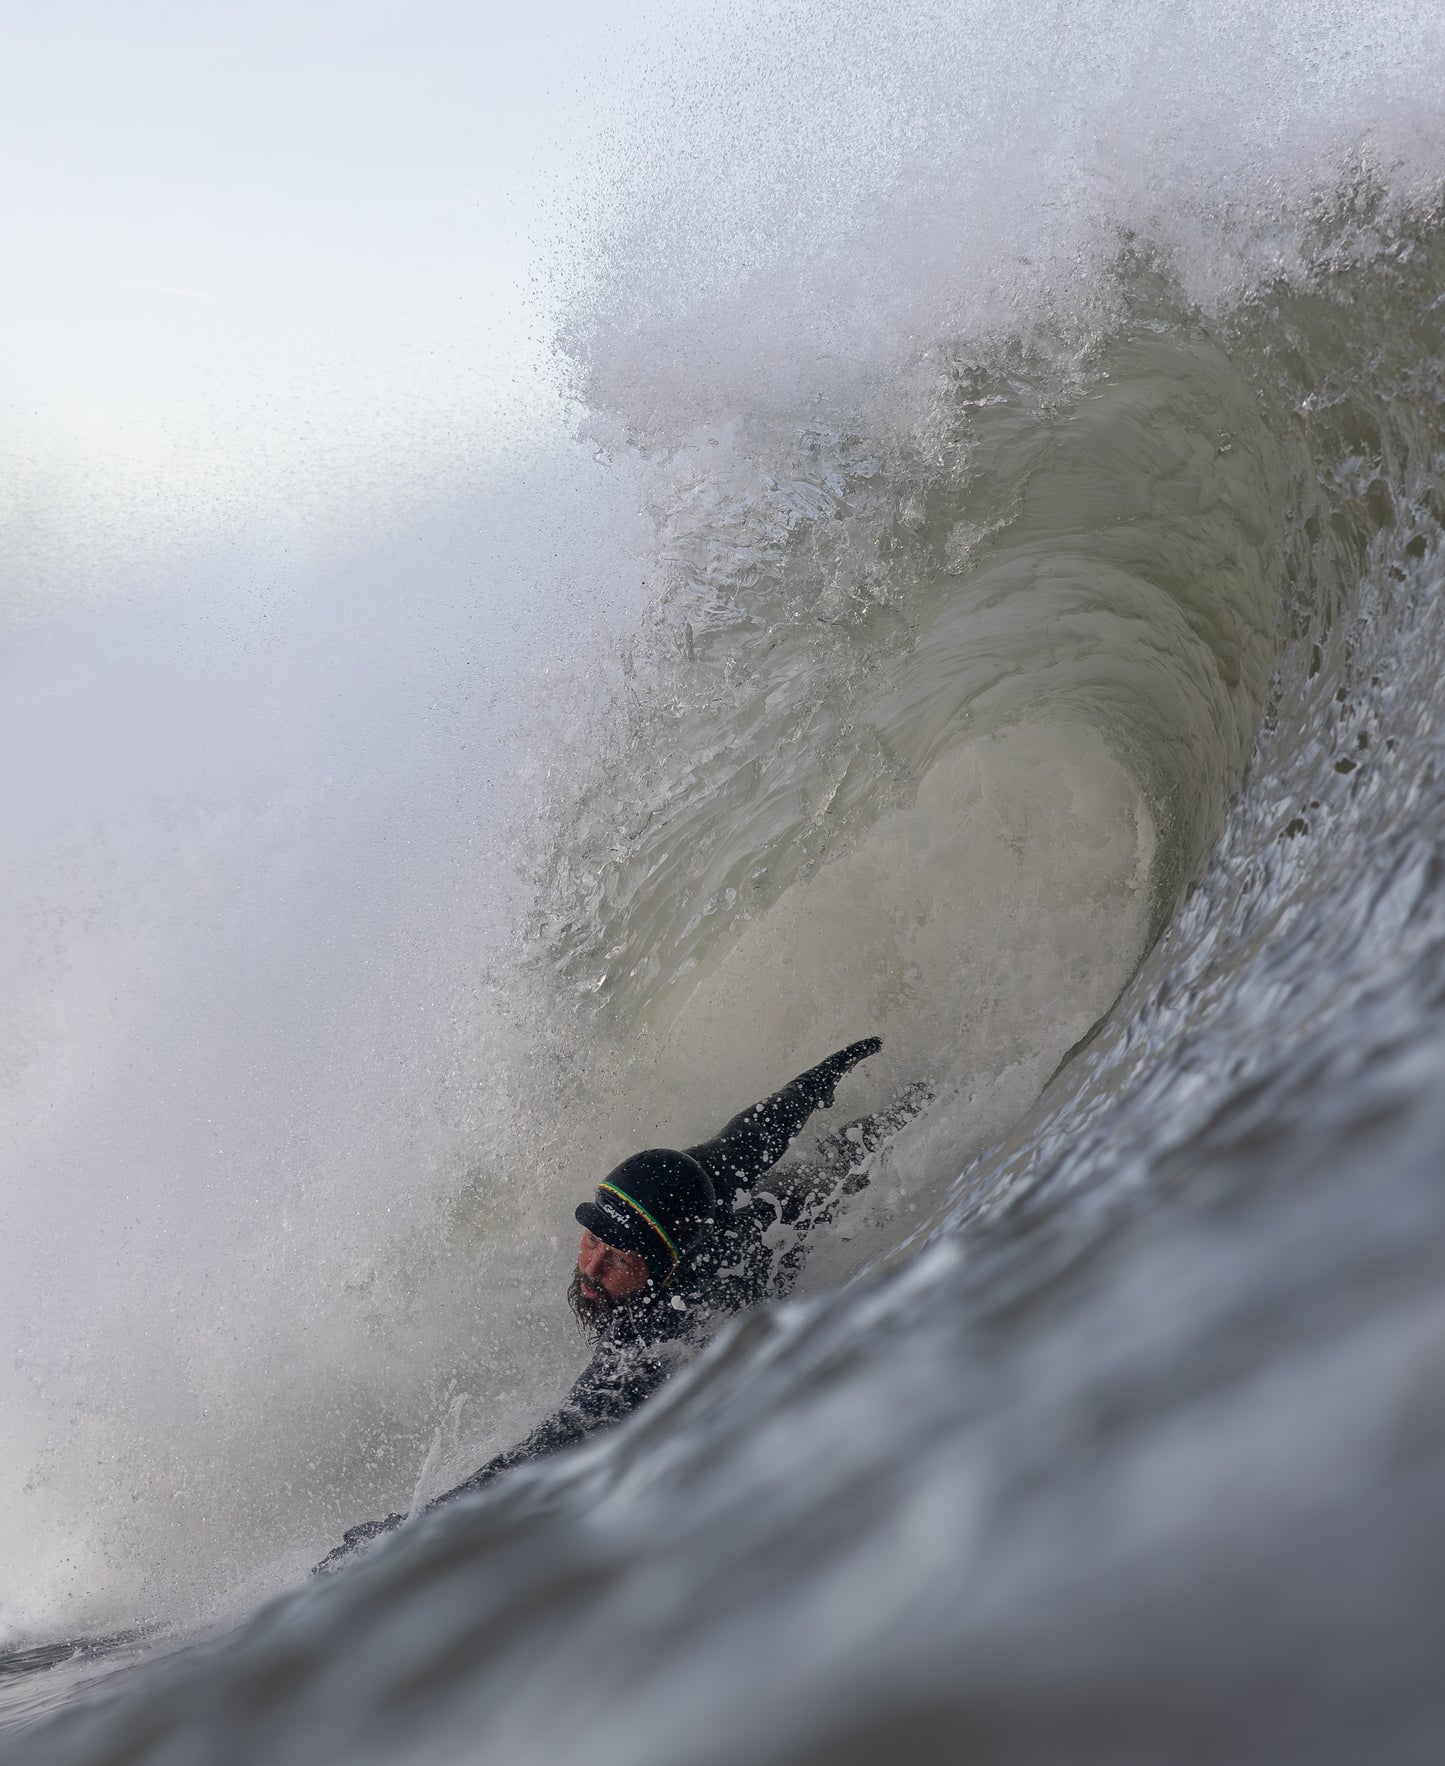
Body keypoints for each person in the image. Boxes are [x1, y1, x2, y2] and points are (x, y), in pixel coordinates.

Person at [316, 1037, 909, 1572]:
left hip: (809, 1213)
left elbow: (562, 1435)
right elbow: (767, 1123)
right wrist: (838, 1065)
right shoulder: (692, 1178)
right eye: (593, 1240)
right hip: (775, 1196)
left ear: (665, 1268)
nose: (591, 1268)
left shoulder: (658, 1326)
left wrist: (420, 1528)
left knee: (884, 1138)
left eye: (620, 1260)